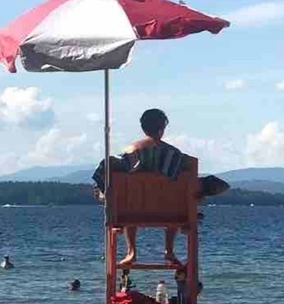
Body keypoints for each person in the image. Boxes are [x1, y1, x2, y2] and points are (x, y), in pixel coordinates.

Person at [93, 108, 229, 267]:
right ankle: (169, 251)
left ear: (143, 128)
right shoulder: (175, 157)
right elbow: (197, 185)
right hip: (174, 214)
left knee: (131, 198)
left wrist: (103, 195)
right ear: (162, 128)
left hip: (129, 214)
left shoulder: (128, 155)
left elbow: (104, 174)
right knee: (175, 199)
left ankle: (132, 252)